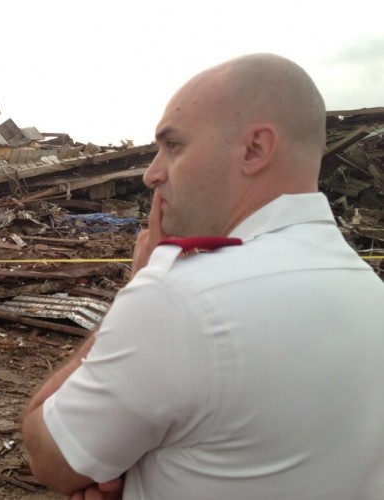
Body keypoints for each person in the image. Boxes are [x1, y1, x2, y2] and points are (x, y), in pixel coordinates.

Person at [21, 53, 384, 499]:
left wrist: (137, 289)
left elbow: (49, 456)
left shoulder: (179, 297)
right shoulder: (366, 288)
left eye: (173, 146)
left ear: (254, 149)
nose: (152, 174)